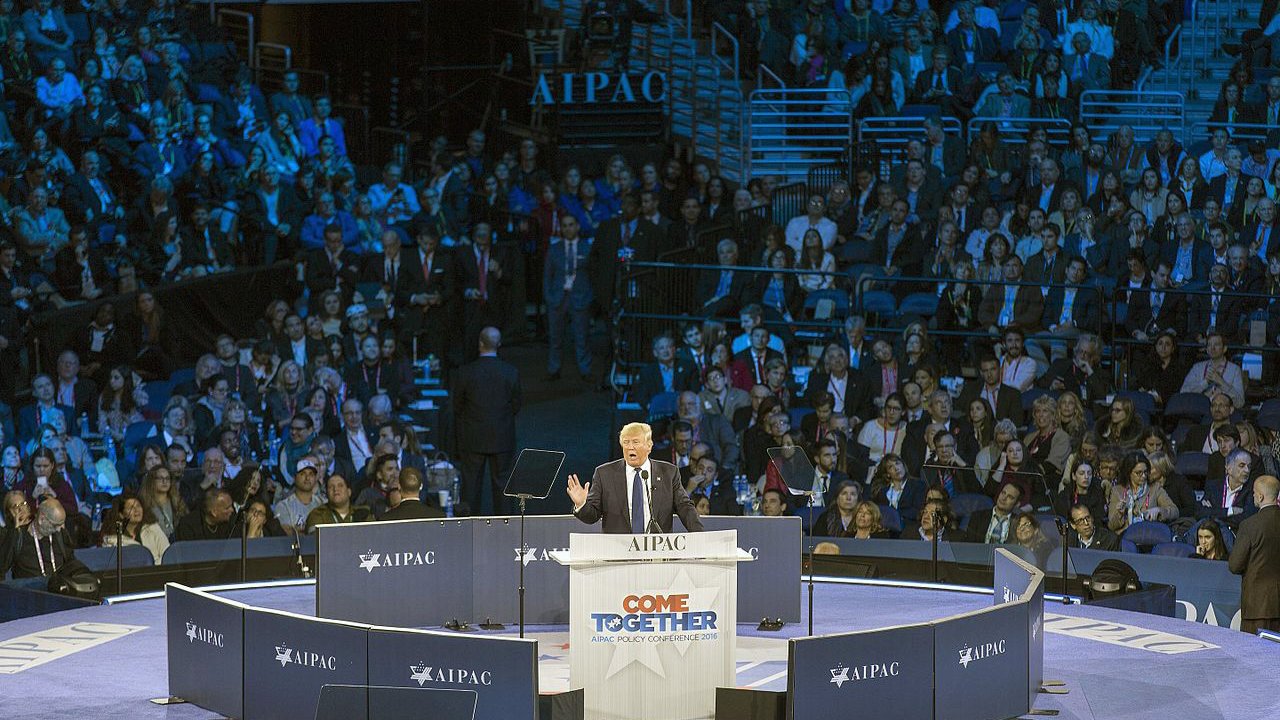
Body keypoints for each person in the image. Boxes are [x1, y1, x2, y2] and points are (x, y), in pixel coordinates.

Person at [566, 422, 704, 534]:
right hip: (618, 552)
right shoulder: (604, 474)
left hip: (657, 551)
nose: (630, 447)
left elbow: (684, 507)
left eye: (636, 442)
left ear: (649, 446)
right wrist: (581, 504)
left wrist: (699, 536)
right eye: (626, 442)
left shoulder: (668, 472)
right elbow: (592, 516)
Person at [452, 327, 521, 515]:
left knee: (471, 485)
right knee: (504, 486)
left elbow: (457, 405)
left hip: (473, 436)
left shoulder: (466, 372)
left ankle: (468, 528)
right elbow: (516, 405)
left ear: (480, 343)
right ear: (499, 345)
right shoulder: (510, 372)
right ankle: (505, 528)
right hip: (502, 435)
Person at [1228, 475, 1280, 633]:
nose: (1253, 496)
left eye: (1254, 493)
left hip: (1257, 607)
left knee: (1252, 656)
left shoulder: (1249, 525)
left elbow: (1235, 565)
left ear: (1261, 496)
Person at [100, 493, 169, 563]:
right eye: (131, 508)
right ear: (121, 514)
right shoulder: (112, 540)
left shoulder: (153, 528)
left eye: (138, 506)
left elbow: (167, 555)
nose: (136, 510)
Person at [304, 474, 371, 531]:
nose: (335, 489)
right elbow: (315, 541)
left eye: (340, 485)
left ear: (349, 492)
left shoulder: (363, 513)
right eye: (331, 487)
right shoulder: (317, 514)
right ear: (327, 494)